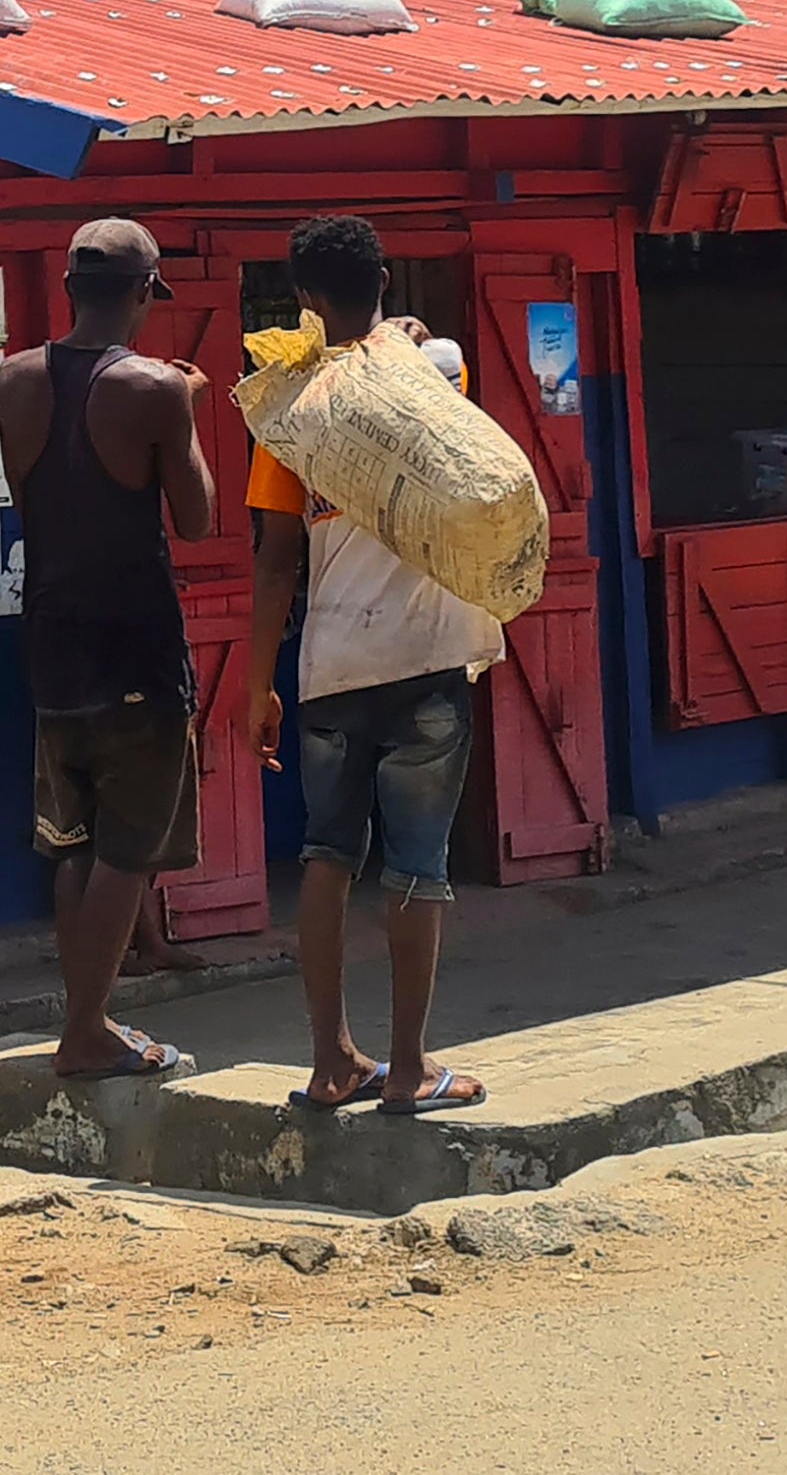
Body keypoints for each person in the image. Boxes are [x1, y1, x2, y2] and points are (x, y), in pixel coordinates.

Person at [238, 217, 510, 1117]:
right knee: (419, 864)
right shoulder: (439, 369)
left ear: (304, 299)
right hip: (428, 654)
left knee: (326, 856)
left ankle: (330, 1065)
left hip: (330, 665)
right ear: (387, 279)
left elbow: (277, 557)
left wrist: (254, 685)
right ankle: (408, 1070)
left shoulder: (283, 408)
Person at [0, 216, 216, 1080]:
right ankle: (87, 1029)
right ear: (143, 295)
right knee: (126, 847)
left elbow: (34, 493)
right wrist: (187, 410)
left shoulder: (14, 379)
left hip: (50, 636)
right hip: (134, 644)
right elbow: (194, 521)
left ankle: (86, 1020)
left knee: (73, 840)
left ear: (69, 288)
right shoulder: (155, 387)